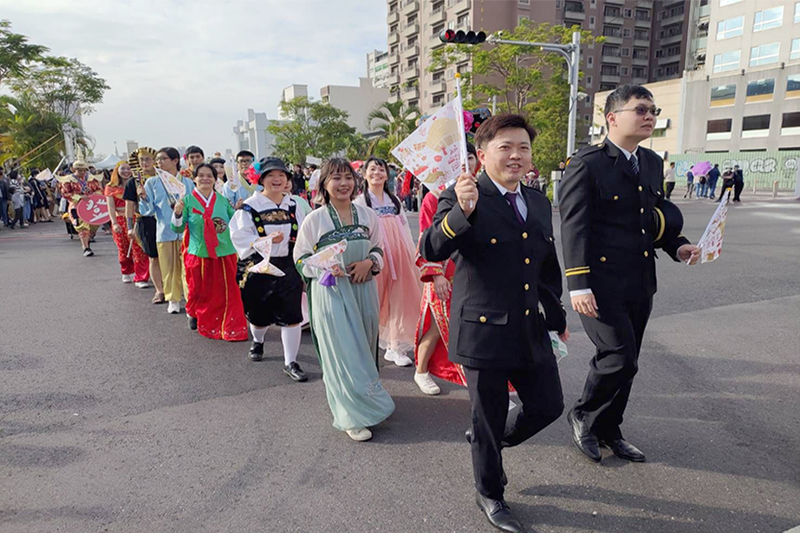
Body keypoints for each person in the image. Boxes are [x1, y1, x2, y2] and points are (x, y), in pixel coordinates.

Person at [420, 115, 569, 533]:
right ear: (482, 155)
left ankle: (492, 443)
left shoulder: (537, 200)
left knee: (548, 406)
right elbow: (431, 246)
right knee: (487, 414)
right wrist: (461, 212)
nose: (516, 155)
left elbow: (544, 265)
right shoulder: (463, 194)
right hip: (483, 330)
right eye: (505, 147)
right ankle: (490, 490)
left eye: (523, 147)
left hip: (529, 327)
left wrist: (555, 318)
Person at [559, 84, 700, 466]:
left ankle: (610, 429)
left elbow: (653, 218)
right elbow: (574, 227)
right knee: (618, 356)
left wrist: (678, 246)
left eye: (652, 110)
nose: (649, 116)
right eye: (640, 110)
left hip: (640, 280)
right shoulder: (587, 164)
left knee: (630, 359)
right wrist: (578, 284)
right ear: (612, 118)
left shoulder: (652, 162)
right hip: (600, 283)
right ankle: (584, 417)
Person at [294, 157, 395, 442]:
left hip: (363, 290)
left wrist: (369, 264)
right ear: (324, 184)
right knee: (343, 351)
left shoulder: (367, 215)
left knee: (363, 344)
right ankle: (350, 414)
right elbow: (301, 259)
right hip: (332, 292)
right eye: (335, 178)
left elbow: (379, 248)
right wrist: (325, 267)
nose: (343, 184)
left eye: (348, 177)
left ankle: (367, 401)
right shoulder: (315, 219)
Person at [229, 157, 308, 382]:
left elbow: (304, 233)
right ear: (261, 179)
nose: (277, 179)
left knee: (292, 315)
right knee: (259, 316)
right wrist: (265, 240)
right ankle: (259, 340)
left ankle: (290, 361)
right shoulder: (249, 207)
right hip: (258, 266)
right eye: (271, 175)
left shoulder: (293, 204)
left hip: (288, 265)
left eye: (282, 175)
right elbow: (239, 236)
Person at [413, 142, 481, 395]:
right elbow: (426, 238)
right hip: (444, 273)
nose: (467, 163)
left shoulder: (486, 191)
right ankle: (421, 371)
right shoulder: (434, 196)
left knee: (474, 329)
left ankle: (484, 387)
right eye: (460, 159)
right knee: (438, 326)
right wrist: (436, 274)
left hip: (474, 273)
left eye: (471, 157)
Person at [354, 157, 422, 368]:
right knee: (373, 299)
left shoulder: (394, 201)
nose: (377, 173)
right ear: (364, 174)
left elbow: (402, 228)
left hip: (398, 253)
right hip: (374, 256)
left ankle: (395, 346)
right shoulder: (360, 202)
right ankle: (367, 345)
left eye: (381, 169)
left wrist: (410, 254)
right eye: (372, 169)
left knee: (397, 299)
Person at [171, 164, 248, 341]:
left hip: (224, 251)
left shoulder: (222, 200)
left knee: (229, 291)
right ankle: (194, 312)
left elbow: (235, 222)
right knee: (198, 289)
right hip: (199, 252)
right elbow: (177, 228)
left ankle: (231, 325)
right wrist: (177, 213)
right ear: (194, 179)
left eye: (209, 176)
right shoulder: (187, 201)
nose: (205, 179)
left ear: (215, 179)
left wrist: (238, 210)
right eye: (201, 176)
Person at [140, 147, 194, 314]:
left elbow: (194, 207)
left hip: (186, 232)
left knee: (188, 266)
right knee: (168, 266)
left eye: (163, 158)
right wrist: (143, 198)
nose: (159, 162)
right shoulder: (152, 183)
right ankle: (172, 298)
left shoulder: (188, 182)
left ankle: (189, 298)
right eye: (158, 159)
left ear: (175, 161)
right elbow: (146, 211)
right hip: (164, 231)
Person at [125, 147, 165, 296]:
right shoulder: (134, 182)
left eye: (148, 159)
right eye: (141, 159)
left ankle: (172, 287)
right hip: (145, 221)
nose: (145, 162)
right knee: (153, 257)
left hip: (165, 220)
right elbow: (129, 206)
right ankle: (159, 290)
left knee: (170, 255)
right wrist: (130, 227)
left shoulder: (164, 178)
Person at [105, 161, 150, 285]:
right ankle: (126, 270)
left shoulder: (139, 184)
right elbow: (111, 207)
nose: (126, 171)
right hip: (120, 220)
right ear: (117, 170)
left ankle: (141, 276)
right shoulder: (110, 187)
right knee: (123, 248)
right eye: (123, 169)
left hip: (136, 218)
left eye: (129, 169)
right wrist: (114, 223)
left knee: (139, 248)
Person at [60, 153, 103, 256]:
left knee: (94, 225)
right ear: (74, 169)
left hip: (92, 205)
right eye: (79, 170)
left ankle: (87, 241)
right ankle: (86, 248)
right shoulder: (69, 180)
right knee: (82, 226)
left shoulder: (92, 179)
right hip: (77, 206)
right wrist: (79, 197)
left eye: (84, 170)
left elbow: (100, 190)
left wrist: (94, 195)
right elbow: (65, 193)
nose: (82, 172)